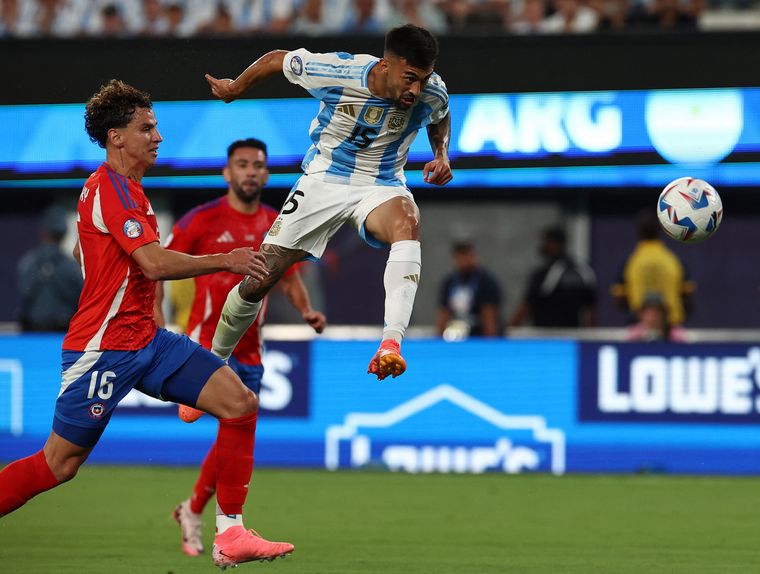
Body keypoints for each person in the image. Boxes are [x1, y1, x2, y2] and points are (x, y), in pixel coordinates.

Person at [0, 80, 295, 569]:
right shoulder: (110, 188)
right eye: (147, 127)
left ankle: (230, 533)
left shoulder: (129, 191)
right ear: (117, 137)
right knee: (60, 464)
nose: (158, 136)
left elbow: (89, 249)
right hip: (103, 349)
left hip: (148, 340)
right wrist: (229, 259)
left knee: (240, 404)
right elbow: (154, 264)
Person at [204, 23, 452, 380]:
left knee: (408, 222)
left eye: (423, 80)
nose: (416, 89)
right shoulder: (340, 71)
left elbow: (440, 114)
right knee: (259, 277)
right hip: (325, 178)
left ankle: (390, 345)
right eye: (410, 78)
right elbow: (277, 59)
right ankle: (214, 363)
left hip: (381, 184)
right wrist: (234, 88)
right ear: (386, 64)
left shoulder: (433, 91)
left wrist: (441, 154)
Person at [160, 137, 326, 557]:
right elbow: (158, 267)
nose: (251, 171)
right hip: (203, 348)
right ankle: (218, 524)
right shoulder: (201, 220)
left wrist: (306, 310)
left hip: (250, 352)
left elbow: (287, 276)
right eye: (242, 164)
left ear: (267, 174)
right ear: (227, 172)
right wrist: (157, 320)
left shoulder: (278, 222)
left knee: (230, 444)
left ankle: (198, 513)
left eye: (258, 165)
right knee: (226, 433)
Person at [611, 211, 695, 326]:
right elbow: (688, 300)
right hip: (672, 329)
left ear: (638, 231)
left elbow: (619, 299)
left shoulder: (629, 261)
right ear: (661, 230)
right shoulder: (674, 260)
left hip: (640, 328)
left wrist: (638, 312)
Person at [509, 226, 597, 328]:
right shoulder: (583, 270)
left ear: (553, 244)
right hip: (573, 336)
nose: (541, 245)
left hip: (547, 336)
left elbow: (527, 306)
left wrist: (509, 330)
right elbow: (591, 310)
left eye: (544, 242)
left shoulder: (546, 273)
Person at [16, 205, 83, 332]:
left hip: (31, 333)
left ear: (43, 232)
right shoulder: (70, 265)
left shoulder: (28, 262)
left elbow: (23, 292)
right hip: (62, 333)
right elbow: (80, 297)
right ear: (64, 234)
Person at [436, 240, 502, 338]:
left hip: (479, 336)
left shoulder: (486, 283)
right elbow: (444, 315)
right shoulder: (449, 283)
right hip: (456, 335)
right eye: (460, 257)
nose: (464, 261)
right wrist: (439, 339)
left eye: (467, 256)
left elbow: (489, 318)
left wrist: (489, 343)